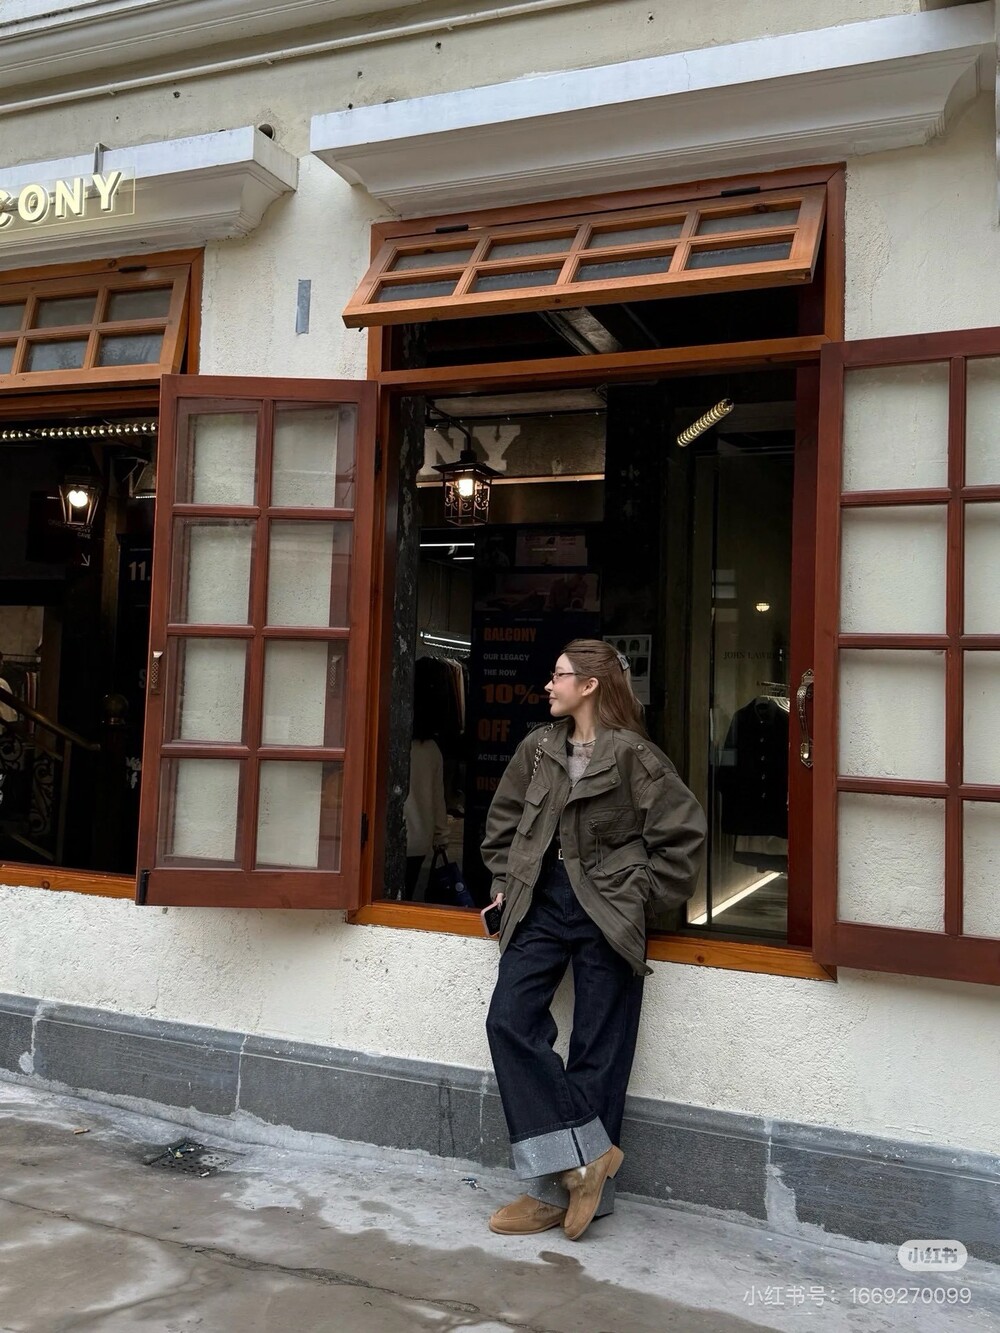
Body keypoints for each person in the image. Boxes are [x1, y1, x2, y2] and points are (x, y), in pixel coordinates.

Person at [481, 638, 706, 1240]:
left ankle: (566, 1197)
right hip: (541, 903)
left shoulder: (635, 756)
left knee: (599, 1047)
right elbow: (502, 827)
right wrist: (505, 883)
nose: (548, 686)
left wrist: (636, 896)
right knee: (508, 1021)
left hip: (607, 908)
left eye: (559, 676)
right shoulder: (537, 749)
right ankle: (589, 1158)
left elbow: (682, 842)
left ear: (590, 685)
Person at [402, 660, 450, 900]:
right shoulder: (431, 750)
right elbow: (437, 798)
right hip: (419, 839)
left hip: (385, 838)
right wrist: (441, 836)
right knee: (408, 893)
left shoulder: (387, 746)